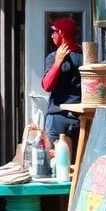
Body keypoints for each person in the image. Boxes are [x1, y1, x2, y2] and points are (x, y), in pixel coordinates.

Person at [42, 17, 83, 149]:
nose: (52, 35)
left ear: (62, 33)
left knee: (55, 164)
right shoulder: (54, 57)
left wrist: (57, 63)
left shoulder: (83, 58)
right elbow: (47, 86)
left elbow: (47, 86)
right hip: (69, 119)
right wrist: (58, 63)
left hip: (69, 119)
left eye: (54, 31)